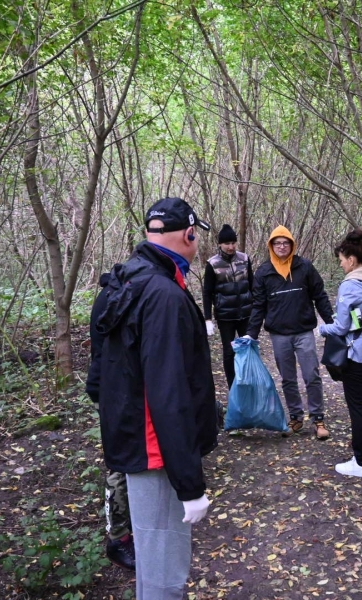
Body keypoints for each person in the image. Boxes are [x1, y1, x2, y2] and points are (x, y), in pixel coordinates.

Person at [97, 197, 218, 599]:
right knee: (165, 573)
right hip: (156, 453)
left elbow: (98, 376)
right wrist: (189, 484)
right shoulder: (163, 295)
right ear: (190, 234)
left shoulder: (125, 280)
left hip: (135, 443)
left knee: (153, 565)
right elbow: (169, 394)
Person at [245, 225, 334, 440]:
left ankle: (318, 418)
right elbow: (258, 305)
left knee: (311, 375)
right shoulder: (264, 272)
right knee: (287, 378)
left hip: (304, 331)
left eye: (286, 243)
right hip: (279, 334)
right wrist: (251, 333)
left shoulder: (304, 267)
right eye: (277, 243)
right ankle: (296, 417)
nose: (282, 246)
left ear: (292, 245)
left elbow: (320, 296)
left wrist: (332, 323)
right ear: (271, 246)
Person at [319, 230, 362, 477]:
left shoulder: (350, 285)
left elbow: (341, 327)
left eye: (341, 260)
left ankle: (359, 462)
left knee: (358, 407)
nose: (341, 264)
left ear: (350, 259)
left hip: (358, 354)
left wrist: (322, 328)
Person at [86, 265, 134, 571]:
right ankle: (118, 538)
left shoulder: (117, 292)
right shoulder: (114, 297)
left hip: (117, 388)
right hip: (111, 389)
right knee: (120, 465)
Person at [202, 224, 254, 389]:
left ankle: (249, 382)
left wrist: (258, 309)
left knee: (248, 350)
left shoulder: (244, 259)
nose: (231, 247)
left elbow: (252, 285)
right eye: (227, 243)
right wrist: (208, 319)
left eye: (233, 243)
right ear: (220, 244)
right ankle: (233, 387)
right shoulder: (213, 264)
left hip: (246, 313)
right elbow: (207, 292)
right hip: (225, 316)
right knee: (229, 352)